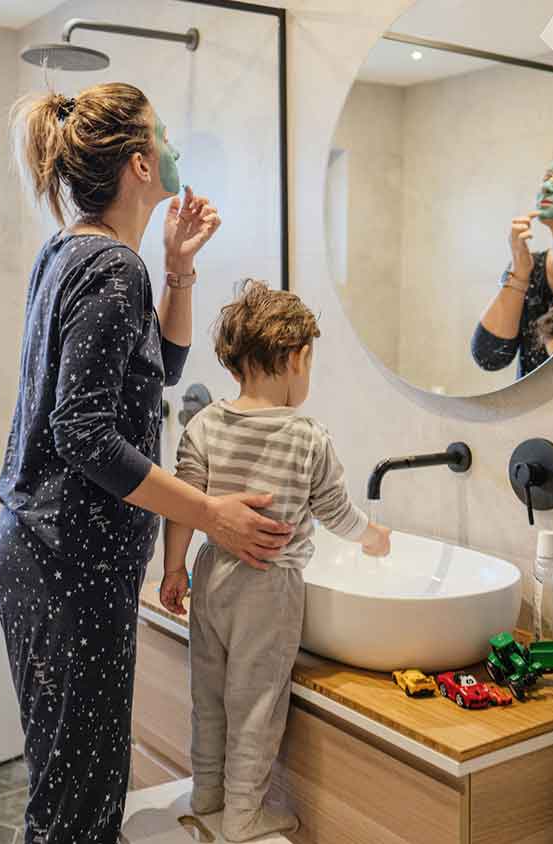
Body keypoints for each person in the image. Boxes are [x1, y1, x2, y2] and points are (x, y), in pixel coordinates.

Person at [0, 84, 295, 843]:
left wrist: (178, 266)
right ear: (139, 162)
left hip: (50, 557)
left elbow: (155, 366)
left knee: (76, 791)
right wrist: (210, 515)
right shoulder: (107, 267)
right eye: (164, 136)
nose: (174, 149)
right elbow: (84, 433)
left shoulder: (79, 251)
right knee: (77, 807)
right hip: (66, 568)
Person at [159, 281, 393, 841]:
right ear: (296, 358)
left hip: (212, 574)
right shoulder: (307, 436)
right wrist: (372, 536)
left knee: (209, 695)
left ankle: (207, 798)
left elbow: (184, 506)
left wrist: (174, 570)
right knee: (256, 703)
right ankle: (243, 817)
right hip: (270, 586)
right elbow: (337, 512)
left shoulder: (205, 425)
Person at [472, 142, 553, 377]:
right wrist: (520, 273)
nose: (548, 186)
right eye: (547, 178)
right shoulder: (529, 269)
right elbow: (489, 358)